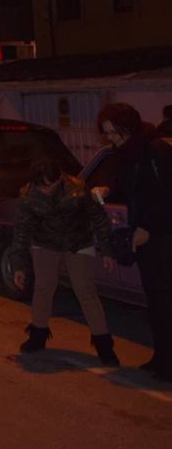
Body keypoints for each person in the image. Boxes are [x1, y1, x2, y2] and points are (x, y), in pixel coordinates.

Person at [9, 156, 119, 365]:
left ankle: (104, 345)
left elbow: (98, 218)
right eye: (43, 186)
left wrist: (107, 251)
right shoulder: (28, 196)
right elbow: (21, 232)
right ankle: (37, 335)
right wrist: (19, 266)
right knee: (43, 288)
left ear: (59, 179)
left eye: (51, 185)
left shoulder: (77, 189)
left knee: (85, 291)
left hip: (78, 242)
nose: (47, 190)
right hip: (46, 243)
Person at [98, 103, 172, 380]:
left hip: (163, 236)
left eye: (113, 132)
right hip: (145, 237)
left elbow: (164, 195)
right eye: (106, 133)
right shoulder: (126, 154)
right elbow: (131, 189)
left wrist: (148, 227)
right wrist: (109, 190)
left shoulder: (155, 150)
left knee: (165, 300)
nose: (110, 138)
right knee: (155, 300)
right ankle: (162, 357)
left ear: (127, 127)